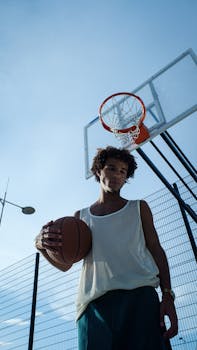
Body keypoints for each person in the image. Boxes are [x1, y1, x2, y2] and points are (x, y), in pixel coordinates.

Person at [35, 146, 178, 350]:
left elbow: (156, 250)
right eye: (112, 168)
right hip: (94, 307)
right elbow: (66, 265)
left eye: (123, 171)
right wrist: (41, 246)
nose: (118, 175)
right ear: (98, 171)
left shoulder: (139, 208)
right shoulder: (80, 218)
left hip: (140, 299)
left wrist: (167, 295)